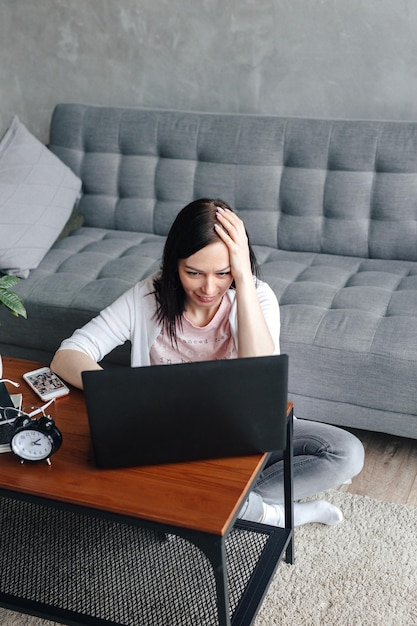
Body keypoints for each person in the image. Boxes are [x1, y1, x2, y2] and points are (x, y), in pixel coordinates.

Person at [51, 198, 364, 528]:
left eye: (223, 273)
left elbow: (259, 374)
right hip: (168, 438)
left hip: (242, 432)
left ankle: (224, 505)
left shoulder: (256, 296)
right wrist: (121, 394)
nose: (209, 288)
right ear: (175, 264)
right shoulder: (146, 297)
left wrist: (243, 280)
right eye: (194, 272)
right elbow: (67, 356)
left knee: (346, 452)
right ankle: (272, 513)